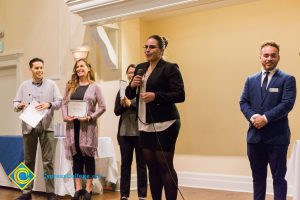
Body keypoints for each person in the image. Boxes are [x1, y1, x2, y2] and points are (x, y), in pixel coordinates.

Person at [126, 35, 185, 200]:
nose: (147, 50)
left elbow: (180, 95)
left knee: (164, 166)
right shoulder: (140, 67)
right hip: (144, 124)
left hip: (166, 124)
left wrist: (156, 96)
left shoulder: (170, 68)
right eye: (145, 47)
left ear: (161, 49)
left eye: (152, 47)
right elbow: (129, 94)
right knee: (151, 166)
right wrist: (131, 85)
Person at [240, 41, 296, 200]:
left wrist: (265, 118)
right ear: (260, 57)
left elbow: (287, 104)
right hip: (254, 137)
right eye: (266, 55)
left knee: (279, 179)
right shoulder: (250, 80)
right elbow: (243, 102)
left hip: (277, 138)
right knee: (257, 179)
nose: (269, 58)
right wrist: (253, 117)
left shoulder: (288, 79)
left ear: (279, 57)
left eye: (273, 55)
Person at [13, 58, 62, 200]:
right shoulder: (24, 85)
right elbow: (15, 103)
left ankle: (51, 193)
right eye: (36, 68)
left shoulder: (52, 85)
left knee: (48, 162)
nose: (40, 70)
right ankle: (26, 192)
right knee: (27, 160)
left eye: (41, 67)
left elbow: (60, 102)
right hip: (29, 126)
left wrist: (49, 104)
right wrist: (19, 105)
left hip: (47, 127)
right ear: (31, 70)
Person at [61, 58, 106, 200]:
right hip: (72, 126)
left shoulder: (95, 87)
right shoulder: (70, 86)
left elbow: (103, 107)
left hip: (88, 127)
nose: (79, 68)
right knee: (76, 157)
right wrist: (65, 116)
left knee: (88, 157)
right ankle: (78, 188)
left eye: (82, 66)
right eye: (77, 67)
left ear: (88, 69)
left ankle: (88, 189)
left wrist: (90, 117)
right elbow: (63, 103)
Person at [114, 64, 147, 200]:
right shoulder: (122, 91)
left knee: (141, 164)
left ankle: (142, 195)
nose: (131, 74)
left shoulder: (144, 89)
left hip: (141, 133)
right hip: (124, 134)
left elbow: (145, 106)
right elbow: (116, 111)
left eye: (133, 72)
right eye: (129, 72)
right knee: (125, 165)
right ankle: (124, 194)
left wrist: (131, 103)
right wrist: (123, 104)